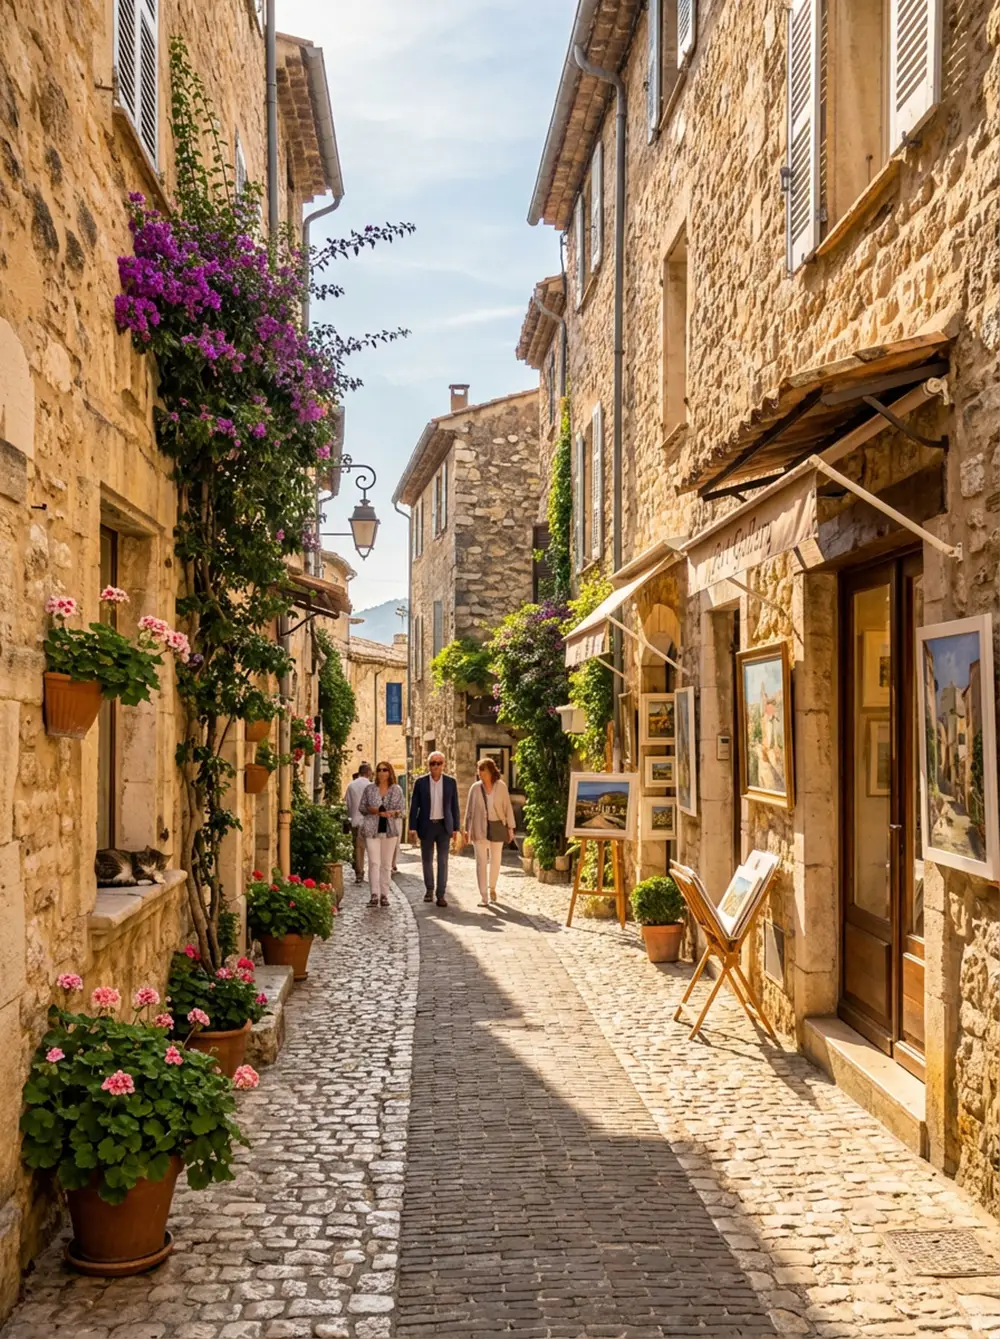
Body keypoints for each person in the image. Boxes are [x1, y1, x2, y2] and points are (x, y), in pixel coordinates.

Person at [409, 751, 460, 907]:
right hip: (426, 825)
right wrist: (412, 827)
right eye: (433, 763)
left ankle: (441, 894)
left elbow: (455, 806)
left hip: (444, 826)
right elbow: (414, 806)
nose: (435, 766)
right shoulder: (421, 783)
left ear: (443, 765)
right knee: (426, 860)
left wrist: (456, 828)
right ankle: (429, 889)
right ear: (429, 765)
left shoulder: (450, 782)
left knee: (443, 861)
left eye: (438, 763)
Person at [463, 758, 516, 907]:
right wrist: (466, 829)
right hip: (479, 827)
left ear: (491, 771)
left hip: (497, 826)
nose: (480, 774)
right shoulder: (475, 788)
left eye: (483, 770)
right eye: (479, 771)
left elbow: (507, 808)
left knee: (495, 860)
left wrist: (510, 827)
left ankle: (492, 887)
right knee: (481, 862)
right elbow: (469, 811)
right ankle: (483, 896)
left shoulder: (501, 787)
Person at [360, 762, 404, 908]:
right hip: (372, 830)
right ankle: (374, 894)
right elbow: (362, 807)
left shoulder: (396, 789)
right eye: (379, 770)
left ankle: (384, 895)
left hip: (390, 830)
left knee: (386, 864)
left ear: (390, 772)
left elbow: (401, 810)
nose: (382, 772)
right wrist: (374, 810)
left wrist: (392, 812)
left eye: (385, 770)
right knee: (374, 862)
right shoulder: (369, 789)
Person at [344, 763, 372, 884]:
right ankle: (371, 872)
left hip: (356, 820)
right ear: (368, 772)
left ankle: (359, 872)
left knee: (358, 848)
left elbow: (348, 805)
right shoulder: (371, 786)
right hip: (369, 821)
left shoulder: (351, 786)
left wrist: (351, 816)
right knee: (371, 848)